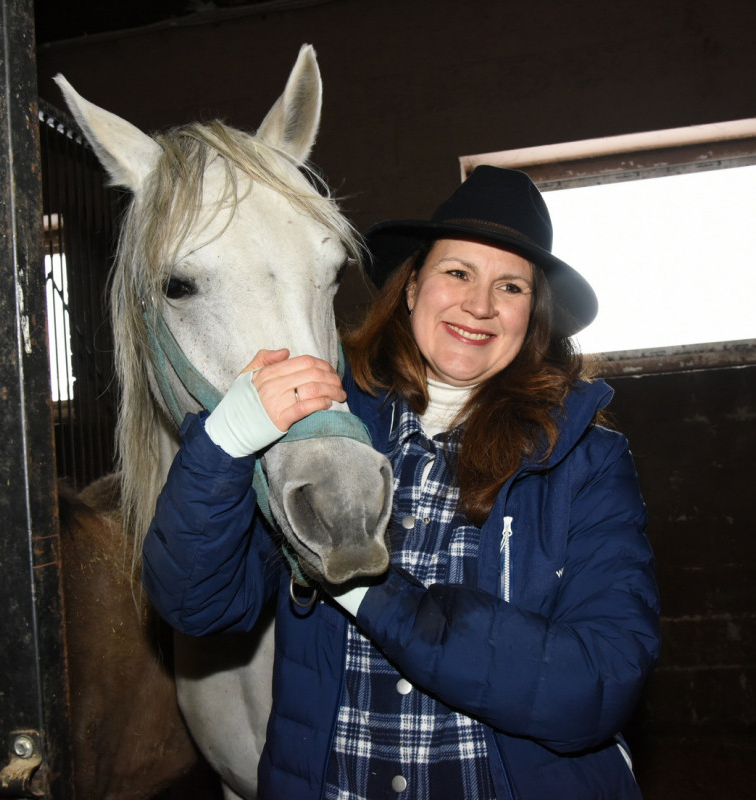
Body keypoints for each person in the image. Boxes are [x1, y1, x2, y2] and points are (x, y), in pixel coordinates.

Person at [144, 165, 660, 799]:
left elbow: (598, 683)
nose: (480, 305)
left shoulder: (586, 460)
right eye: (457, 273)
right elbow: (200, 604)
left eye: (511, 286)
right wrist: (222, 446)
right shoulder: (325, 440)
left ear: (535, 315)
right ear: (412, 287)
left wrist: (371, 593)